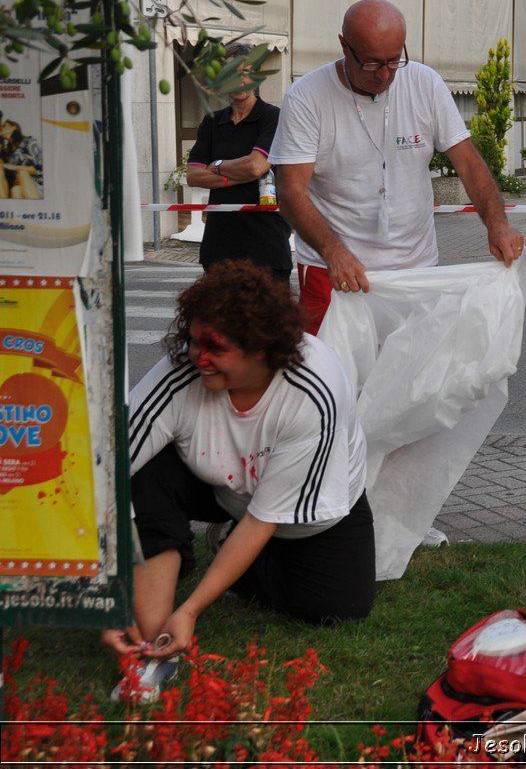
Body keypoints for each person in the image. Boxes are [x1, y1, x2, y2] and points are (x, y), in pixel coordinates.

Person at [103, 262, 373, 677]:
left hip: (304, 518)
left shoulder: (312, 392)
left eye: (217, 348)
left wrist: (192, 609)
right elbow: (102, 479)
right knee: (144, 474)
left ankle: (224, 548)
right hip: (218, 487)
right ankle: (152, 638)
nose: (200, 359)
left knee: (338, 608)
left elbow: (261, 520)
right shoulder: (181, 374)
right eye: (194, 342)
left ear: (262, 348)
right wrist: (108, 596)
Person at [271, 0, 524, 334]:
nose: (387, 74)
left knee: (415, 379)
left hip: (416, 270)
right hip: (333, 272)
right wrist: (334, 252)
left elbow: (469, 163)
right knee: (332, 380)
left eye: (395, 60)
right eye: (373, 64)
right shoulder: (307, 97)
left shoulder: (425, 83)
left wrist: (497, 223)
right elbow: (290, 191)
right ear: (344, 46)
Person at [185, 43, 293, 286]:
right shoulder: (212, 122)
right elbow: (193, 176)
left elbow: (256, 166)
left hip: (266, 245)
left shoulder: (272, 117)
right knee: (219, 323)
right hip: (220, 246)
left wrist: (217, 165)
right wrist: (237, 174)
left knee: (269, 322)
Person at [0, 117, 43, 199]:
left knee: (22, 173)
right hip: (19, 185)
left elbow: (40, 168)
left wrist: (14, 167)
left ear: (14, 127)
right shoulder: (7, 152)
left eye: (4, 125)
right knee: (15, 190)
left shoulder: (29, 141)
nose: (1, 127)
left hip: (36, 184)